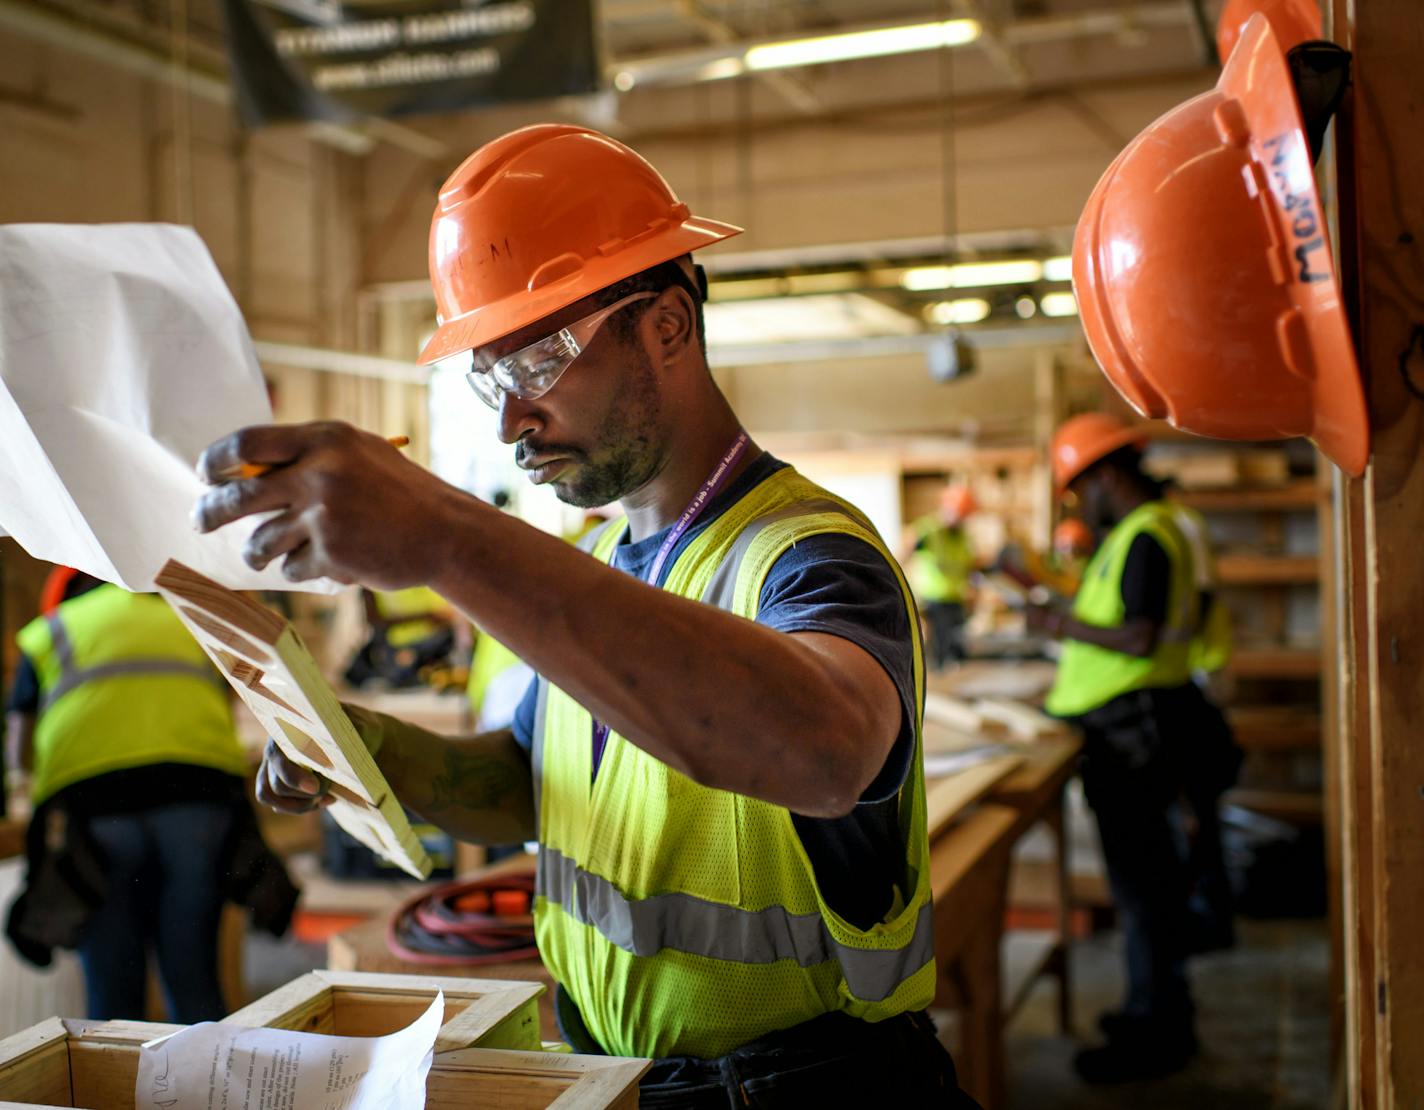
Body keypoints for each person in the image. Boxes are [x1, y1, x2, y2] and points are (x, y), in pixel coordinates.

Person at [192, 125, 978, 1106]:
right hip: (621, 1078)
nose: (508, 421)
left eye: (535, 362)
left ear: (664, 327)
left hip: (813, 1091)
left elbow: (821, 753)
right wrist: (369, 749)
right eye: (488, 376)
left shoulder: (811, 555)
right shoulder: (595, 569)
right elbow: (531, 782)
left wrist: (447, 537)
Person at [1025, 413, 1228, 1082]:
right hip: (1131, 726)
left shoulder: (1147, 537)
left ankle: (1158, 1034)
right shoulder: (1141, 534)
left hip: (1134, 731)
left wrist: (1058, 623)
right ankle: (1152, 1008)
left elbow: (1137, 638)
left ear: (1108, 476)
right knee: (1145, 885)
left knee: (1144, 890)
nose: (1081, 505)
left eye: (1081, 490)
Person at [3, 571, 295, 1022]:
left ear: (65, 591)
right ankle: (209, 1085)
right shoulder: (186, 623)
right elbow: (223, 706)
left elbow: (19, 746)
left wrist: (31, 778)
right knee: (193, 969)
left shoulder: (54, 629)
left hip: (96, 808)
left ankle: (115, 1081)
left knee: (112, 980)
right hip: (198, 799)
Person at [906, 484, 978, 668]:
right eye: (959, 513)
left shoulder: (962, 536)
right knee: (936, 652)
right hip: (932, 601)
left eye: (964, 515)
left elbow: (969, 565)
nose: (961, 519)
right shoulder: (928, 531)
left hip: (955, 600)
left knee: (956, 649)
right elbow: (902, 553)